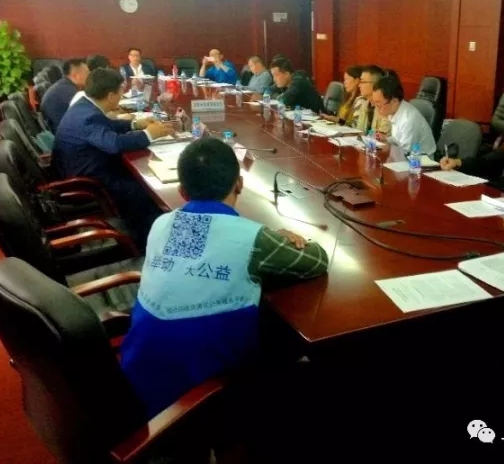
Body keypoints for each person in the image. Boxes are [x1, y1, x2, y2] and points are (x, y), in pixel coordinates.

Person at [120, 137, 329, 418]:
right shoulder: (252, 238)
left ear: (182, 192)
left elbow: (203, 252)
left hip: (135, 376)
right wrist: (281, 240)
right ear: (239, 184)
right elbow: (317, 261)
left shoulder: (162, 223)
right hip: (191, 403)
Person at [53, 68, 174, 248]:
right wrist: (148, 134)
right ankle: (146, 242)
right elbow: (114, 144)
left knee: (139, 178)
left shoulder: (85, 106)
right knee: (143, 191)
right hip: (87, 181)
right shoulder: (89, 117)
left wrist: (135, 124)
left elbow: (108, 125)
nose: (121, 96)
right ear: (110, 96)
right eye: (120, 92)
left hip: (82, 167)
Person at [371, 73, 436, 156]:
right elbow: (399, 140)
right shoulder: (395, 111)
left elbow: (404, 153)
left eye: (379, 105)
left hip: (420, 161)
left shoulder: (408, 120)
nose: (376, 108)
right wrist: (386, 139)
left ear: (394, 101)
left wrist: (386, 147)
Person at [40, 58, 89, 132]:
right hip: (62, 133)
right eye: (87, 73)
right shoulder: (69, 93)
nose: (90, 76)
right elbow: (87, 115)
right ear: (76, 76)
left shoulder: (64, 86)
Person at [359, 65, 390, 136]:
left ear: (375, 85)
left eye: (362, 82)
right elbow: (360, 132)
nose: (359, 85)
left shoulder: (386, 108)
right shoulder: (365, 104)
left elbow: (380, 138)